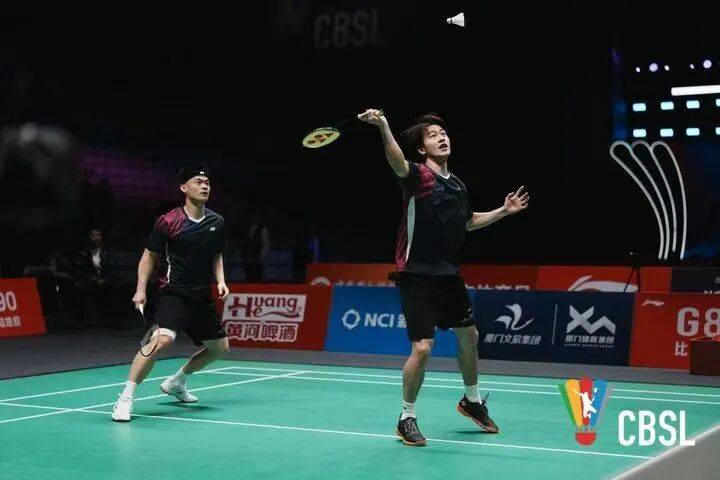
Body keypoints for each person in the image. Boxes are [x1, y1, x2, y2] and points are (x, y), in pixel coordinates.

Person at [358, 109, 530, 446]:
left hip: (448, 275)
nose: (442, 137)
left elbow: (469, 222)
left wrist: (504, 211)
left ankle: (472, 401)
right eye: (433, 135)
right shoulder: (418, 176)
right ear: (422, 148)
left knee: (470, 336)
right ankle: (406, 418)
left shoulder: (458, 185)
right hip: (416, 274)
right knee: (422, 348)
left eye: (444, 133)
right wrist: (383, 126)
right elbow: (396, 161)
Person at [112, 165, 230, 422]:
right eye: (198, 182)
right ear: (184, 188)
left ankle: (177, 381)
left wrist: (221, 280)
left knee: (219, 348)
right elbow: (149, 257)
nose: (205, 186)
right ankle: (126, 397)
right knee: (161, 341)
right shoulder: (169, 221)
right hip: (173, 292)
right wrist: (140, 289)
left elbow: (217, 255)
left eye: (207, 182)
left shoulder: (217, 222)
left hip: (201, 296)